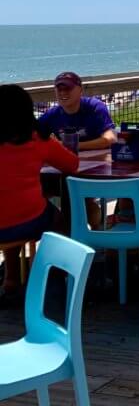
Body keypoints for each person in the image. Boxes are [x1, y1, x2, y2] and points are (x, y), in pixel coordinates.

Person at [0, 84, 79, 300]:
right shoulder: (38, 139)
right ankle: (55, 275)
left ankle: (11, 279)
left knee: (11, 212)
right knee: (59, 220)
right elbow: (71, 165)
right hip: (27, 221)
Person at [37, 71, 117, 151]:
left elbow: (110, 139)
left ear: (80, 90)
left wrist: (72, 145)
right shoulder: (52, 115)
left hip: (100, 159)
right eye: (59, 89)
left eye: (68, 89)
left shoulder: (95, 107)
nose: (63, 93)